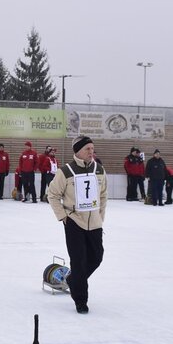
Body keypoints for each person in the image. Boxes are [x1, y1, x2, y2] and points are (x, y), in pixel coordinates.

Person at [47, 135, 107, 314]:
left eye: (92, 148)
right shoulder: (65, 172)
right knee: (79, 261)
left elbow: (103, 196)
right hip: (74, 222)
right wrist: (63, 217)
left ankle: (74, 280)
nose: (91, 152)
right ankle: (81, 300)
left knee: (96, 257)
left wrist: (100, 216)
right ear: (78, 151)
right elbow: (53, 195)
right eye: (87, 149)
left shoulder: (99, 169)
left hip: (95, 222)